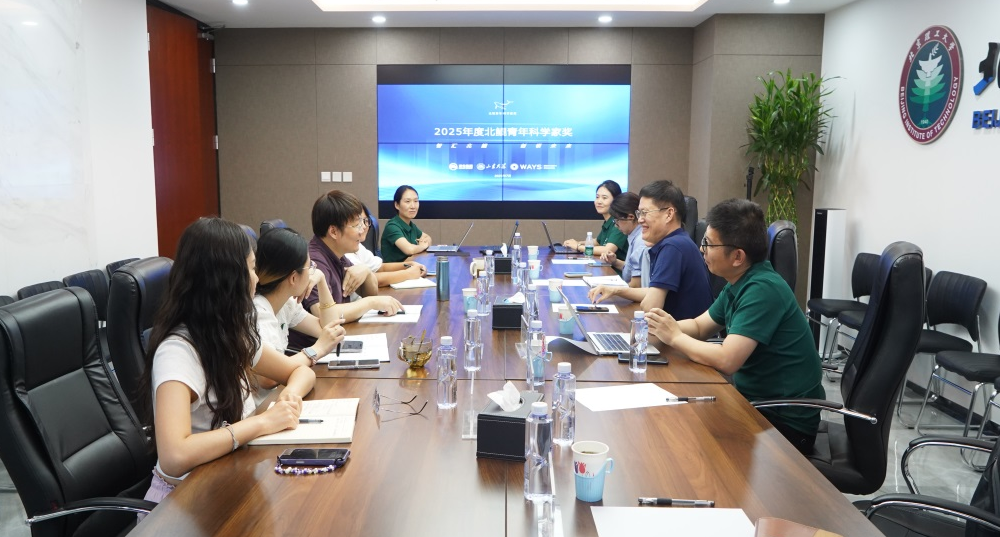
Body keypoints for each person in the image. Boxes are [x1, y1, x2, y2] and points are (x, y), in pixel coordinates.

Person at [137, 218, 318, 514]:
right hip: (184, 503)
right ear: (227, 278)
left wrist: (289, 395)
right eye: (251, 269)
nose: (257, 279)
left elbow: (300, 371)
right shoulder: (178, 351)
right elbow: (174, 455)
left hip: (230, 478)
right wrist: (261, 423)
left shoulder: (230, 332)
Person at [646, 198, 824, 454]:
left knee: (681, 437)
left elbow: (728, 359)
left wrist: (674, 337)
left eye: (709, 244)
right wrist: (657, 328)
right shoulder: (739, 282)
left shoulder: (762, 289)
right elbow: (699, 326)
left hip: (784, 423)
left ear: (738, 256)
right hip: (754, 402)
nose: (702, 249)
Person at [587, 180, 711, 318]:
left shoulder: (672, 247)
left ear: (669, 214)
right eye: (639, 213)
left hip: (680, 330)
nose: (640, 220)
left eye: (645, 213)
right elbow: (652, 291)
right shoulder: (679, 240)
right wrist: (615, 290)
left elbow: (650, 306)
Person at [254, 226, 346, 381]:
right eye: (310, 267)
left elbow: (330, 330)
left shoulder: (285, 303)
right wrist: (316, 349)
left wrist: (321, 281)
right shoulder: (258, 314)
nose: (312, 272)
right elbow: (268, 379)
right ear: (293, 278)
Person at [300, 190, 404, 327]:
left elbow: (370, 293)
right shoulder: (314, 261)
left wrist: (367, 272)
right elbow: (322, 313)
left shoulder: (338, 254)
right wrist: (371, 303)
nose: (362, 231)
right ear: (333, 232)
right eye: (356, 225)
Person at [347, 203, 427, 287]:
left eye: (365, 221)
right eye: (357, 223)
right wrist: (408, 274)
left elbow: (380, 267)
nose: (363, 226)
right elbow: (369, 280)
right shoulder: (344, 253)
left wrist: (410, 264)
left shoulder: (358, 246)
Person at [562, 180, 628, 262]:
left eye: (604, 198)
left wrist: (578, 247)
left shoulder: (619, 222)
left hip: (616, 268)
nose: (599, 201)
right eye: (597, 197)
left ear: (615, 200)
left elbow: (607, 250)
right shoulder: (608, 221)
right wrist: (577, 243)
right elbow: (597, 241)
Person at [591, 192, 647, 290]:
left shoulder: (640, 240)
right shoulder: (634, 235)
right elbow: (631, 270)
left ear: (630, 217)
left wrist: (613, 290)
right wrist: (615, 262)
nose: (616, 226)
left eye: (617, 220)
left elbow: (635, 286)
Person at [380, 185, 432, 263]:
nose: (413, 206)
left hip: (410, 266)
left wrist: (422, 245)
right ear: (397, 205)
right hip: (397, 269)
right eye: (407, 201)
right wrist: (422, 246)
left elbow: (428, 238)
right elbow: (409, 250)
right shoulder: (392, 226)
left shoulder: (410, 225)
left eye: (416, 201)